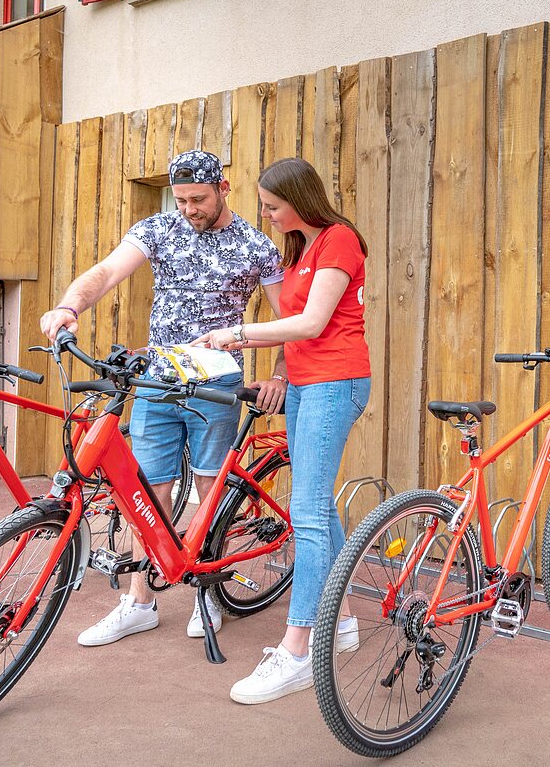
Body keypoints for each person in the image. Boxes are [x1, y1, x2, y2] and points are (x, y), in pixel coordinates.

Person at [40, 149, 287, 647]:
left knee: (209, 489)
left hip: (216, 386)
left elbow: (286, 318)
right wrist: (70, 304)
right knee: (148, 491)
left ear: (223, 189)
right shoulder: (159, 229)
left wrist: (281, 373)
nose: (190, 209)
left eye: (199, 199)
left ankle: (207, 596)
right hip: (157, 380)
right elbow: (106, 273)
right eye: (181, 200)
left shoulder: (256, 245)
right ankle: (138, 601)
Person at [195, 157, 370, 704]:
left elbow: (312, 324)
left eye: (272, 206)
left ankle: (297, 650)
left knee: (309, 511)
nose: (266, 215)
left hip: (333, 383)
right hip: (304, 384)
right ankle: (340, 622)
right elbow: (296, 327)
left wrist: (238, 334)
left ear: (299, 199)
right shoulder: (301, 250)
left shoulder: (338, 240)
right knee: (315, 507)